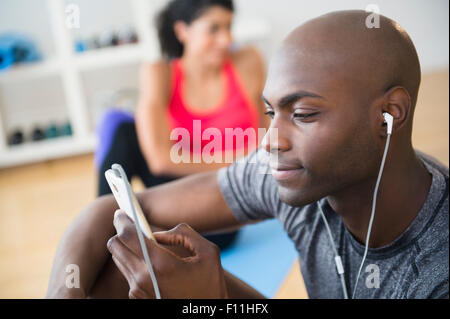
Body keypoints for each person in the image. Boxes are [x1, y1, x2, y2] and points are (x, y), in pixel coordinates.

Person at [47, 10, 448, 299]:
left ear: (389, 114)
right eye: (272, 112)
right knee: (125, 273)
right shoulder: (294, 174)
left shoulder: (435, 270)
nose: (271, 140)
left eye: (303, 114)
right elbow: (105, 210)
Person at [94, 0, 268, 250]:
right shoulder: (160, 73)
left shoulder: (246, 62)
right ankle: (102, 233)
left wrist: (223, 167)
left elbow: (265, 144)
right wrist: (235, 161)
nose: (226, 38)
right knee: (124, 132)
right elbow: (158, 160)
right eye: (214, 29)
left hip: (224, 209)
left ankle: (136, 234)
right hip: (176, 194)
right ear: (182, 31)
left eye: (229, 27)